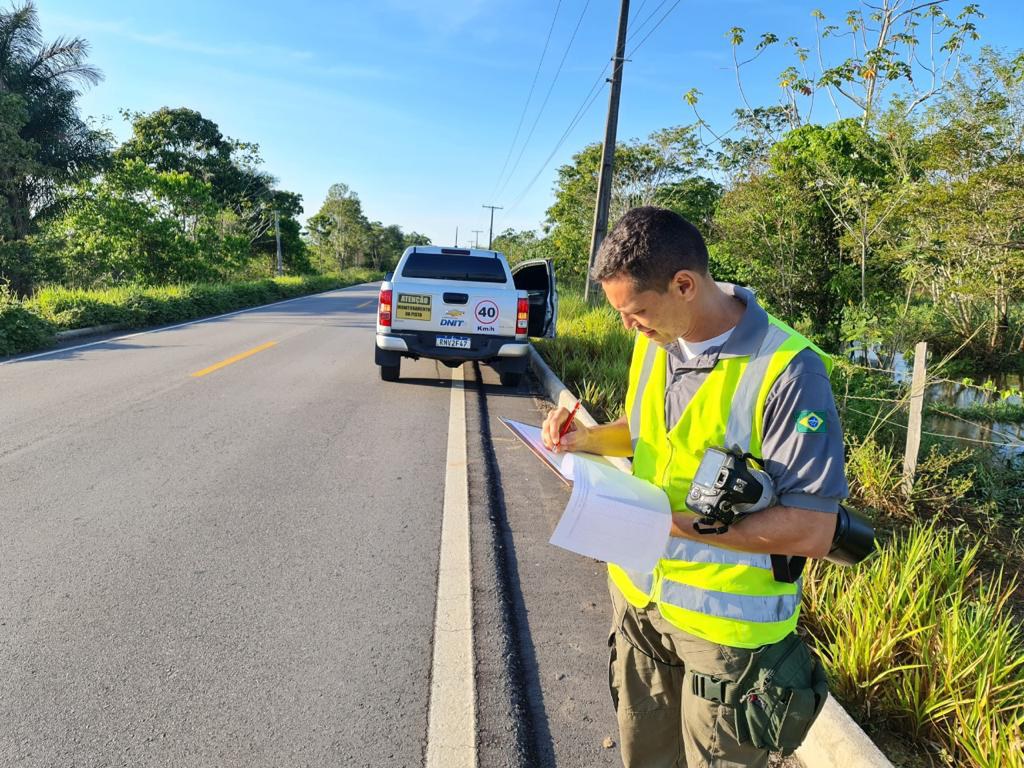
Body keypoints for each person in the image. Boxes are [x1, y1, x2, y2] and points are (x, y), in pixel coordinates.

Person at [541, 206, 848, 768]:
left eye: (635, 312)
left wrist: (664, 525)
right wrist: (583, 443)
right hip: (639, 604)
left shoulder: (787, 370)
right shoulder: (657, 340)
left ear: (684, 284)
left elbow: (811, 529)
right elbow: (645, 431)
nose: (629, 327)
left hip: (726, 636)